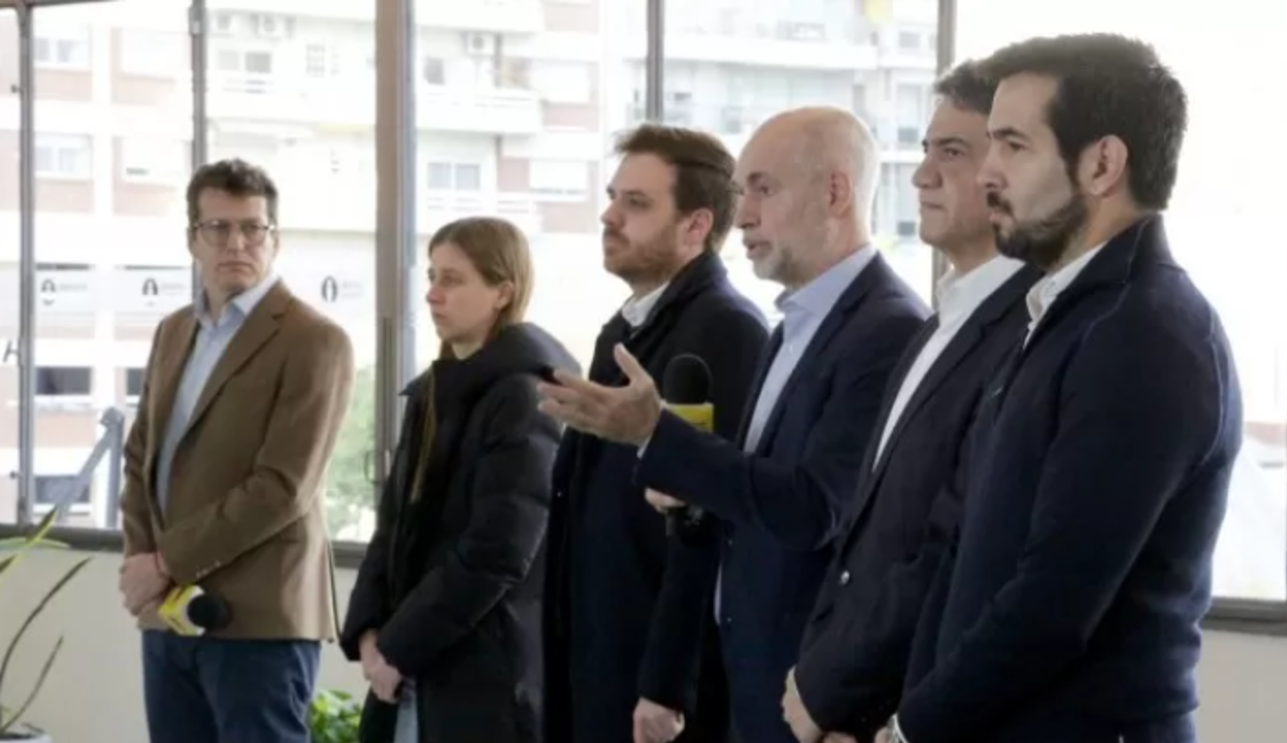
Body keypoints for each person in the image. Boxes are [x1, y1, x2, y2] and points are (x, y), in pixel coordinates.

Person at [880, 34, 1242, 743]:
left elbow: (1052, 602)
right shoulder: (1061, 314)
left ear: (1102, 163)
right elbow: (963, 555)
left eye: (1013, 145)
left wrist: (909, 731)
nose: (986, 172)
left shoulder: (1146, 334)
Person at [540, 106, 929, 743]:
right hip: (747, 677)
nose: (742, 213)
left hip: (803, 691)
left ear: (835, 192)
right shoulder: (789, 329)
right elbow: (745, 493)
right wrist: (686, 480)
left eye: (763, 189)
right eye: (742, 190)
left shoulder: (885, 328)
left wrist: (656, 437)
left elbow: (816, 509)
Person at [784, 63, 1038, 743]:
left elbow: (948, 550)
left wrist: (833, 687)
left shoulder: (1029, 332)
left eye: (950, 152)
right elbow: (870, 539)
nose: (922, 174)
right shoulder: (939, 321)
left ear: (1011, 166)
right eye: (924, 151)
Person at [539, 123, 770, 743]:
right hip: (598, 647)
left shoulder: (727, 329)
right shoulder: (621, 329)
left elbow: (712, 520)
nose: (609, 216)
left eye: (636, 203)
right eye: (614, 197)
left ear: (696, 226)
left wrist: (670, 682)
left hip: (655, 681)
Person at [118, 158, 355, 743]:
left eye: (253, 228)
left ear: (275, 238)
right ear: (192, 239)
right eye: (218, 228)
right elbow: (141, 457)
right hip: (169, 617)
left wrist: (164, 562)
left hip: (260, 620)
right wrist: (140, 561)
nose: (237, 243)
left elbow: (282, 488)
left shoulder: (315, 340)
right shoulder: (174, 331)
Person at [339, 217, 577, 743]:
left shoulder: (526, 396)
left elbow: (498, 553)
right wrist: (370, 629)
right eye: (431, 276)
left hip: (480, 673)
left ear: (502, 291)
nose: (431, 294)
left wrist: (399, 647)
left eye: (452, 279)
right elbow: (394, 523)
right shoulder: (433, 390)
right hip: (410, 662)